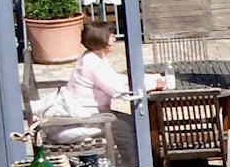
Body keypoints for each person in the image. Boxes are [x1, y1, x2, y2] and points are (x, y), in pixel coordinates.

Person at [37, 22, 166, 121]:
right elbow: (120, 91)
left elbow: (115, 79)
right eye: (111, 36)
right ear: (100, 39)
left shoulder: (93, 57)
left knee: (134, 124)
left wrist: (150, 78)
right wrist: (152, 84)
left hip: (89, 113)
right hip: (86, 118)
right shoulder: (93, 63)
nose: (115, 38)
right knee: (135, 131)